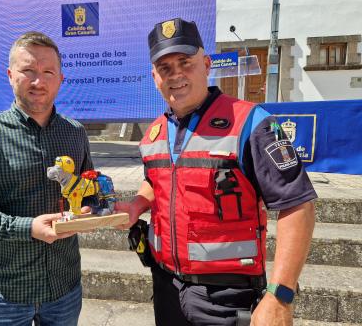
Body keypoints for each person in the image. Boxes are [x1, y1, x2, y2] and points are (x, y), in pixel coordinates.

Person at [115, 18, 316, 326]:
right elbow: (155, 181)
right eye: (165, 68)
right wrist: (138, 205)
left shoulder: (252, 123)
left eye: (186, 62)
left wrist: (279, 296)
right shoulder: (154, 133)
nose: (176, 75)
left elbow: (297, 204)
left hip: (229, 296)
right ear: (154, 76)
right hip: (167, 287)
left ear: (206, 64)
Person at [0, 31, 93, 326]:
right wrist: (28, 228)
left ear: (61, 79)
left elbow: (87, 191)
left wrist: (92, 210)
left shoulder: (75, 133)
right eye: (29, 71)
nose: (39, 82)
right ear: (10, 75)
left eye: (48, 72)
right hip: (8, 292)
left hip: (64, 287)